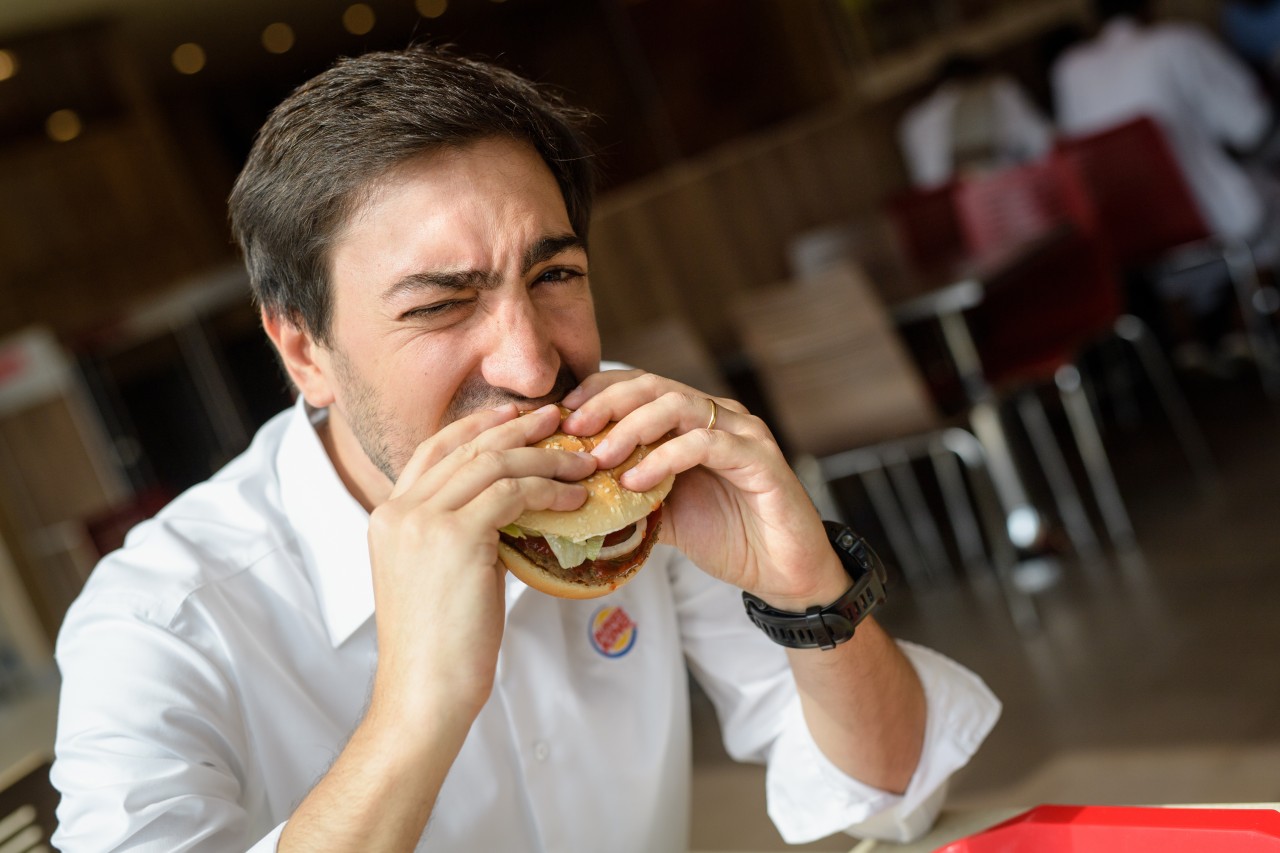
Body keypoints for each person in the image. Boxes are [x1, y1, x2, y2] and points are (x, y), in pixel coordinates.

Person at [49, 46, 1000, 852]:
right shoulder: (159, 622)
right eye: (440, 303)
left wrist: (806, 589)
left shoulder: (637, 474)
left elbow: (896, 792)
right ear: (305, 349)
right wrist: (419, 706)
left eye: (555, 275)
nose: (532, 362)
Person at [1052, 0, 1280, 352]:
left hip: (1133, 234)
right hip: (1210, 220)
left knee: (1182, 251)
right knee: (1267, 203)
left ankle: (1190, 345)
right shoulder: (1177, 43)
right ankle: (1248, 326)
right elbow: (1253, 128)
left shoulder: (1070, 72)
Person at [898, 53, 1054, 189]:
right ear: (981, 76)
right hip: (1002, 208)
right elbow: (1045, 146)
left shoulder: (913, 121)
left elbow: (924, 183)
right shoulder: (999, 91)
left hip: (945, 217)